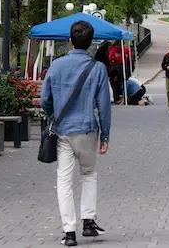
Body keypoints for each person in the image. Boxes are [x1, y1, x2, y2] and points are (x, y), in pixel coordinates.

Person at [40, 20, 110, 247]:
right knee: (89, 174)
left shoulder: (57, 66)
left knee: (64, 180)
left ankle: (69, 232)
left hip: (63, 131)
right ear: (90, 43)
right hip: (88, 130)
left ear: (70, 41)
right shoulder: (97, 68)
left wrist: (54, 116)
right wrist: (106, 135)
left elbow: (44, 99)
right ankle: (88, 220)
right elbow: (103, 105)